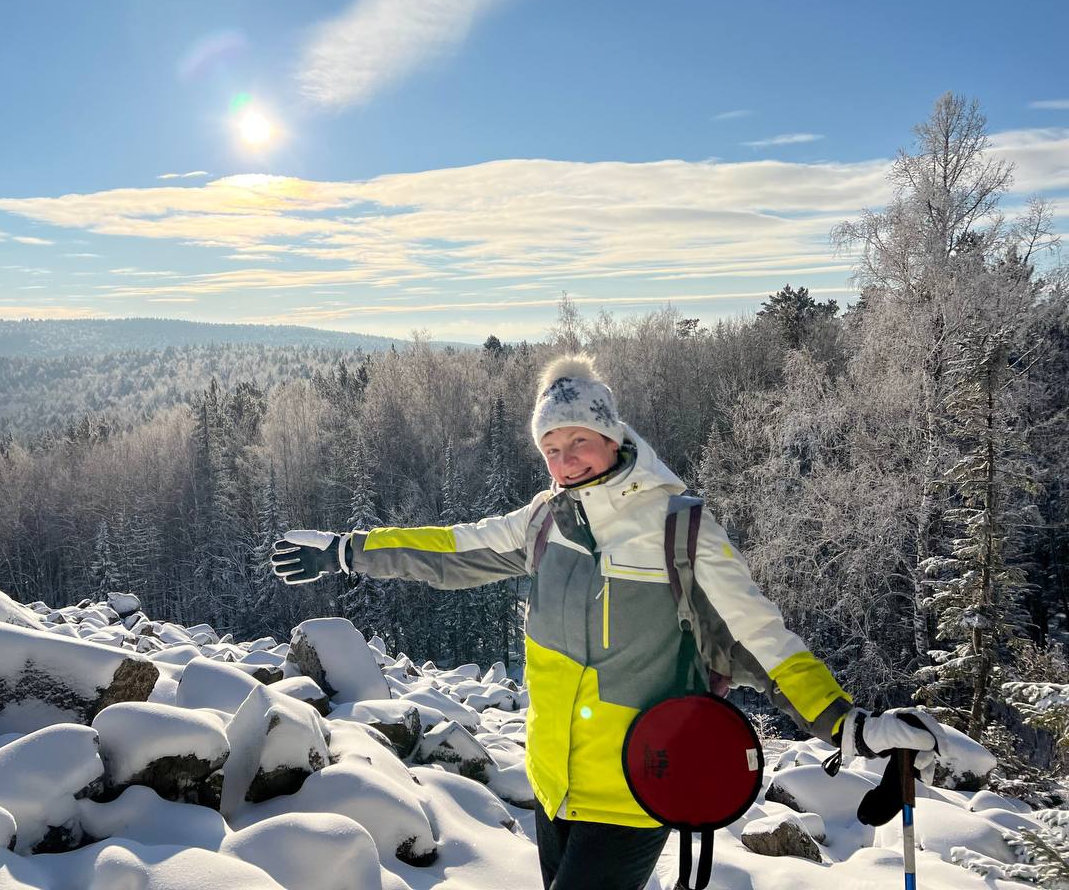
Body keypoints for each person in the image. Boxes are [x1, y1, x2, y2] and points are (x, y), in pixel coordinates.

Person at [271, 354, 946, 890]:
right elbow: (452, 548)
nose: (566, 462)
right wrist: (348, 550)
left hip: (639, 779)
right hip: (552, 782)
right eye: (552, 448)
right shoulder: (544, 520)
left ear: (611, 435)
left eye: (580, 442)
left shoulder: (676, 523)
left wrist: (843, 721)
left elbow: (759, 634)